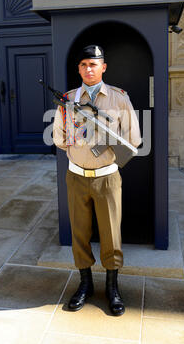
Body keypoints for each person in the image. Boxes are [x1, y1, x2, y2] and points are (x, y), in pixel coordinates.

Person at [53, 45, 141, 316]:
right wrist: (79, 147)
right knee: (79, 233)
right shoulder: (67, 100)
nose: (88, 69)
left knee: (111, 235)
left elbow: (134, 138)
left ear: (103, 67)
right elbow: (58, 137)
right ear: (79, 69)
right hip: (76, 176)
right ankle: (85, 284)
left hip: (107, 179)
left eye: (93, 64)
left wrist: (105, 143)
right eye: (83, 65)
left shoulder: (119, 99)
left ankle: (112, 288)